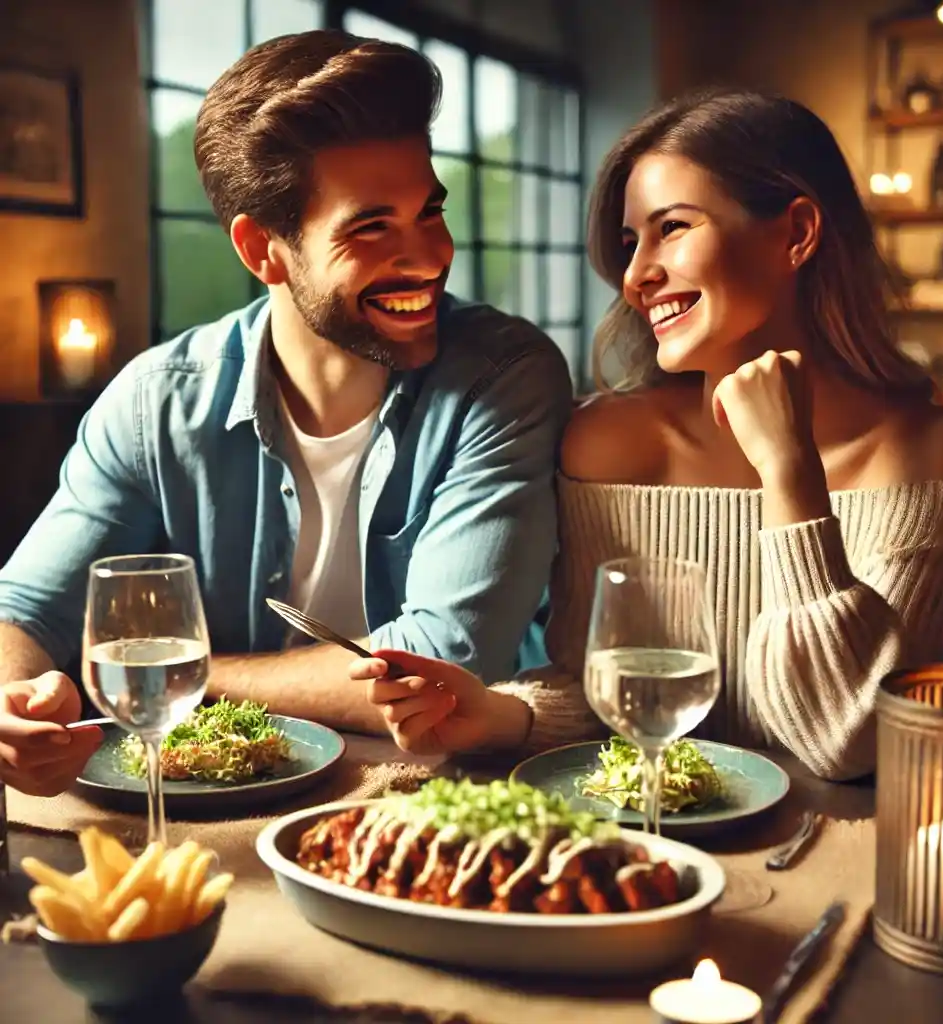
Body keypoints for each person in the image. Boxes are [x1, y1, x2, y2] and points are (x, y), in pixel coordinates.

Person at [353, 88, 943, 781]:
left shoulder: (929, 454)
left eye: (674, 228)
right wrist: (506, 716)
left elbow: (848, 741)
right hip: (642, 839)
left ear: (797, 233)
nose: (634, 277)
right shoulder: (609, 444)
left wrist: (788, 470)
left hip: (831, 857)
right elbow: (607, 697)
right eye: (631, 243)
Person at [0, 30, 570, 796]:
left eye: (429, 211)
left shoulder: (506, 376)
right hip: (205, 813)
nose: (430, 255)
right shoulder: (154, 402)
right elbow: (27, 611)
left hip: (439, 803)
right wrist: (17, 700)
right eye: (372, 227)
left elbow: (447, 663)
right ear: (264, 250)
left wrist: (182, 675)